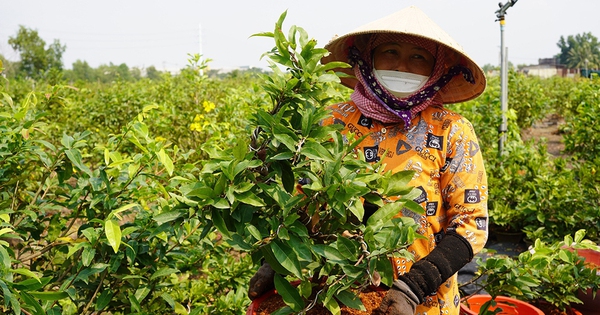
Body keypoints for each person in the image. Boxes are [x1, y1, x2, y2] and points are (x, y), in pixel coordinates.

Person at [249, 6, 488, 315]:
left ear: (436, 68)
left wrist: (412, 288)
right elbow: (303, 196)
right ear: (367, 58)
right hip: (338, 291)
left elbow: (471, 225)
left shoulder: (452, 131)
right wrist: (278, 258)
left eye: (418, 57)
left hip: (424, 302)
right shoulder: (331, 121)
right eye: (390, 51)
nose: (402, 65)